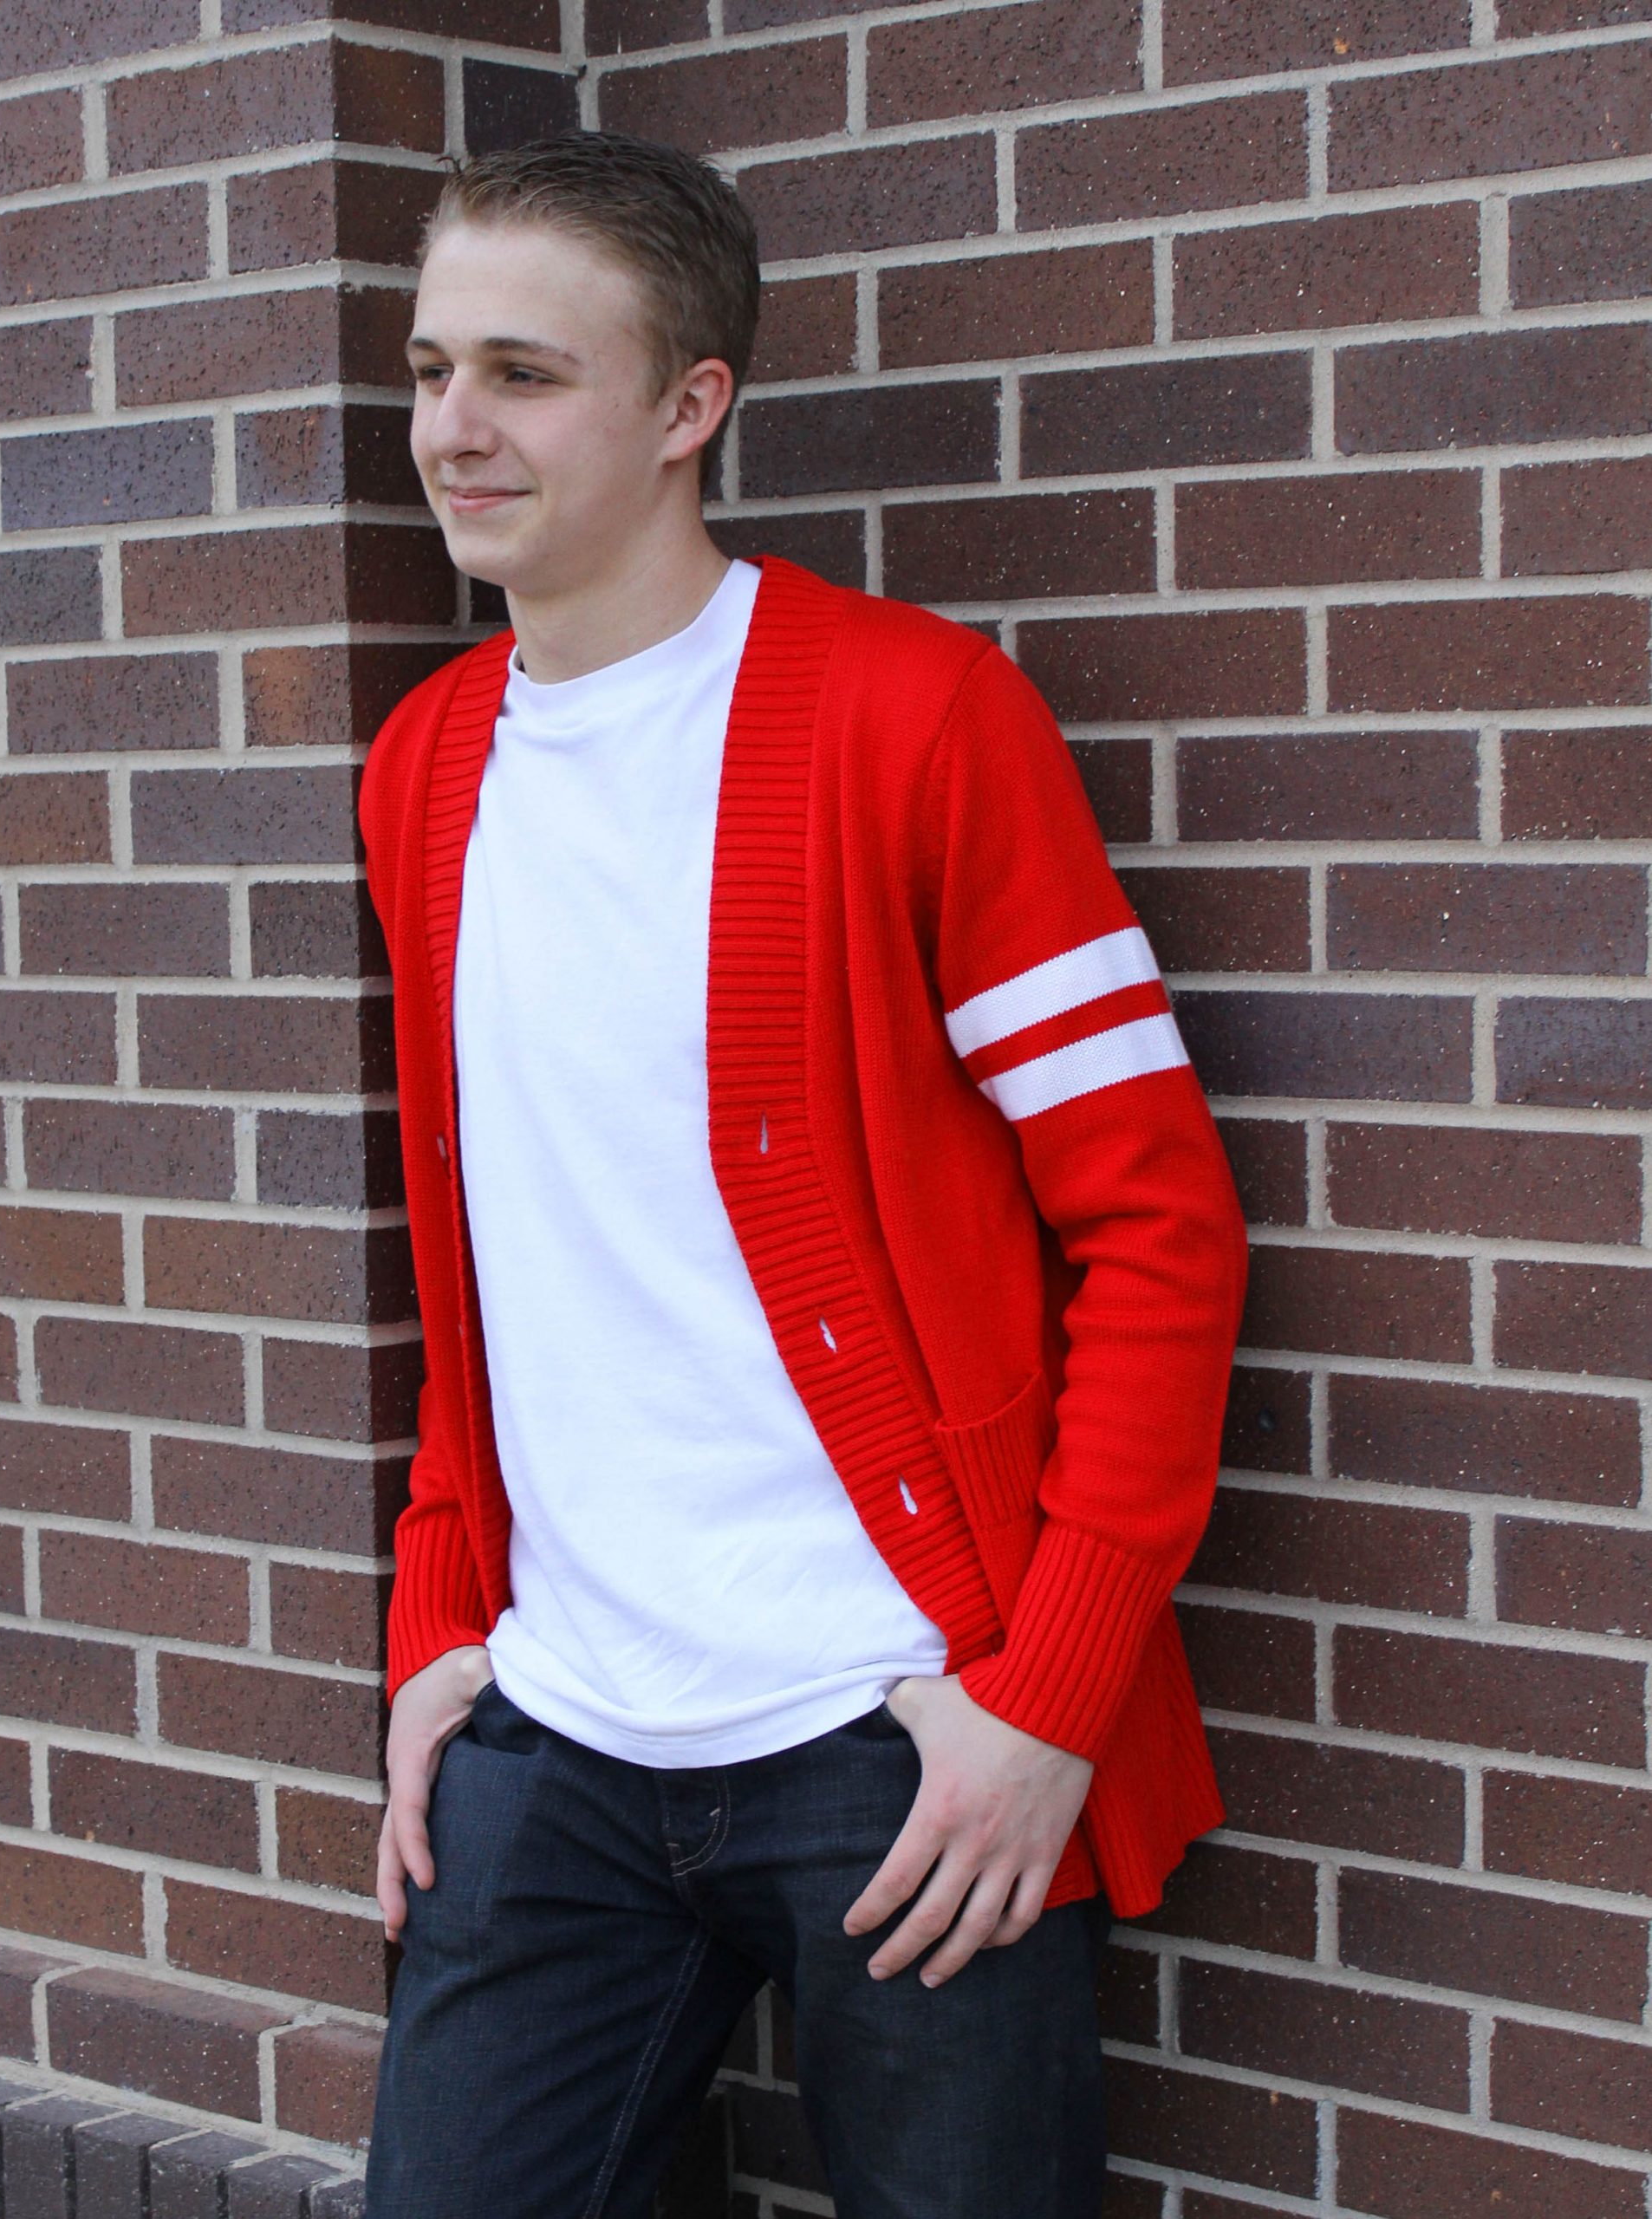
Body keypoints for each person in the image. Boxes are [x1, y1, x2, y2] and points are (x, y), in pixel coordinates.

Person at [355, 127, 1248, 2219]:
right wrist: (434, 1631)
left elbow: (1161, 1228)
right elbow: (494, 1262)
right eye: (430, 369)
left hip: (902, 1732)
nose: (455, 429)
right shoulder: (425, 770)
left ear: (691, 406)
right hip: (554, 1734)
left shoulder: (917, 720)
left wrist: (1048, 1700)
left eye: (523, 373)